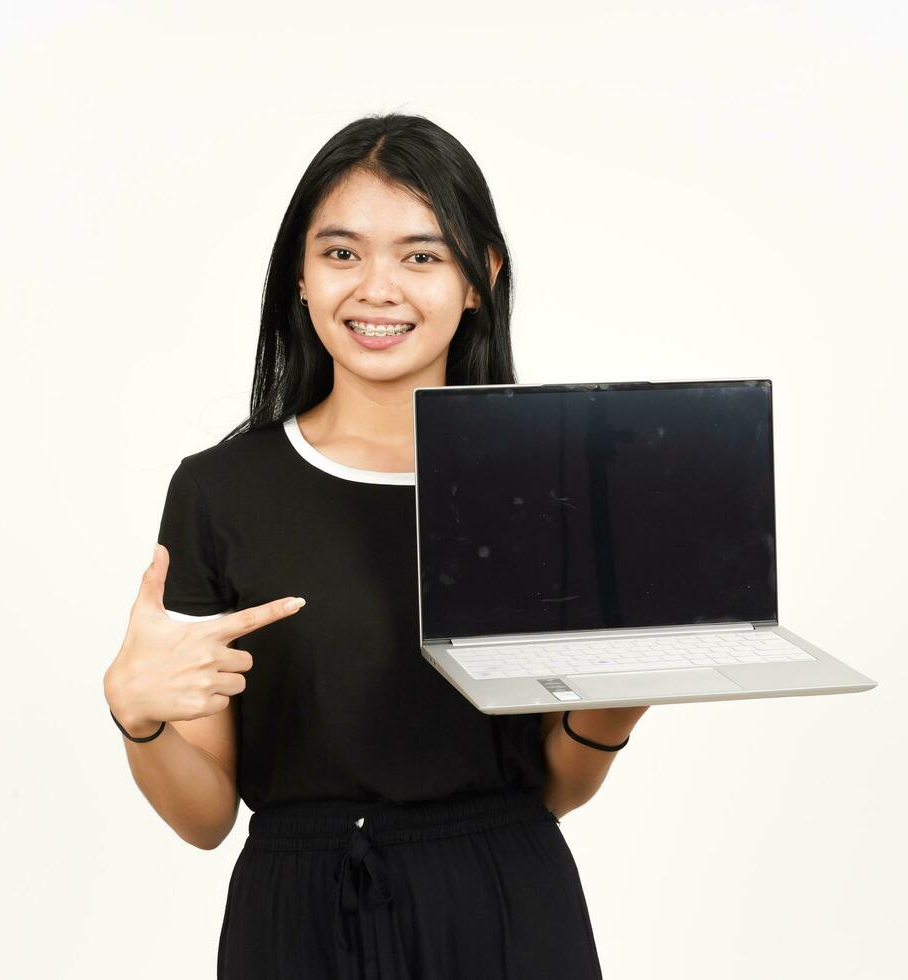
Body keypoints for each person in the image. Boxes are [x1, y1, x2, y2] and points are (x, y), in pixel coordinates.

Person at [102, 112, 650, 979]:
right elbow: (203, 816)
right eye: (343, 253)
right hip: (298, 923)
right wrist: (138, 717)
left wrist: (618, 702)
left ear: (481, 279)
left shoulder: (544, 478)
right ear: (301, 276)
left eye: (422, 255)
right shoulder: (222, 492)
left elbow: (555, 789)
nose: (378, 288)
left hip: (505, 910)